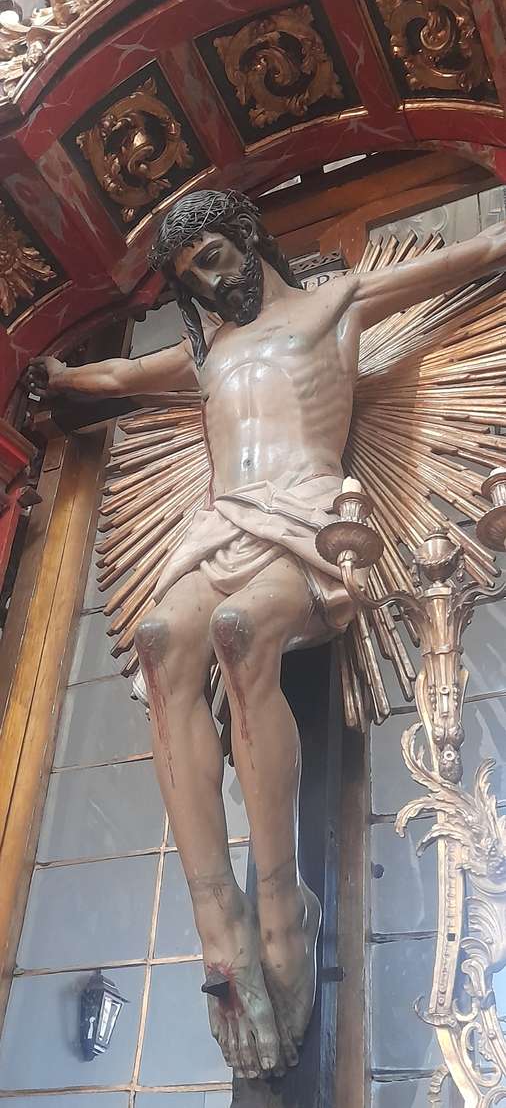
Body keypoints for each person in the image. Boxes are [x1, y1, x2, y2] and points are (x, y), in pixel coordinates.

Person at [28, 190, 506, 1080]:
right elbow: (119, 379)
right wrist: (61, 378)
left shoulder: (336, 304)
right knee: (161, 640)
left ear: (249, 238)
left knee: (241, 631)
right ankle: (222, 922)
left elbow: (469, 258)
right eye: (191, 279)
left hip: (309, 518)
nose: (212, 285)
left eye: (215, 257)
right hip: (221, 525)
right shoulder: (206, 356)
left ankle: (283, 902)